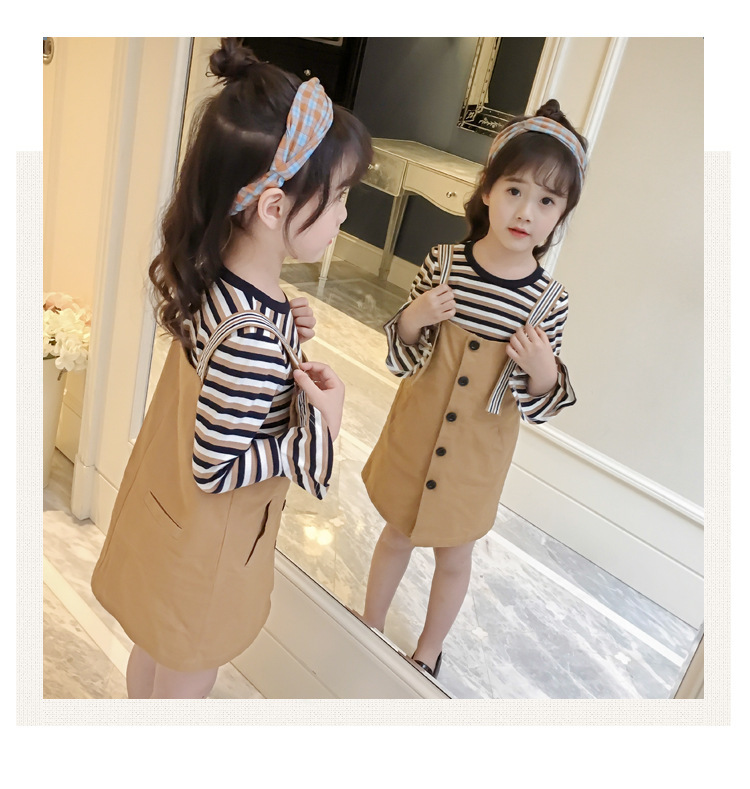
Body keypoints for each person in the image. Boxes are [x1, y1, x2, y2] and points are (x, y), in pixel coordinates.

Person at [91, 38, 372, 699]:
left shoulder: (216, 279)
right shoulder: (250, 334)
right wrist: (317, 429)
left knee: (154, 650)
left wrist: (284, 331)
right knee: (188, 676)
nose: (344, 213)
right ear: (273, 207)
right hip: (204, 558)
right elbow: (217, 468)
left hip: (171, 532)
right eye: (337, 196)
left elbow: (221, 375)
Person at [360, 100, 587, 679]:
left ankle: (428, 651)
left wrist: (542, 368)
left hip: (476, 457)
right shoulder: (442, 264)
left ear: (561, 215)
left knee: (455, 555)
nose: (526, 211)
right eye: (514, 190)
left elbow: (541, 402)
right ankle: (367, 626)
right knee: (396, 535)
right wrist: (413, 318)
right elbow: (402, 355)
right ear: (487, 190)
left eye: (547, 201)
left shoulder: (549, 302)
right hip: (416, 434)